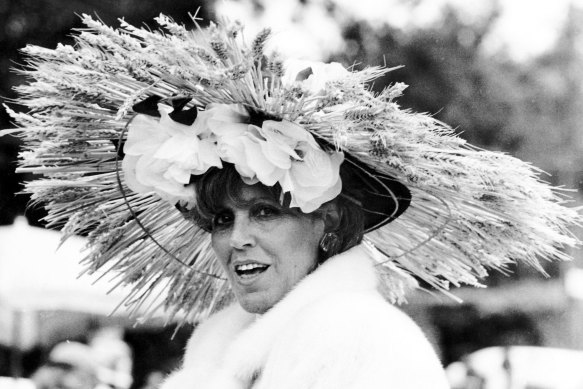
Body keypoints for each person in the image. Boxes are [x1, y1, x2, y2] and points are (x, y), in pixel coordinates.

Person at [2, 12, 580, 389]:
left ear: (327, 225)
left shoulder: (356, 338)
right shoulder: (220, 354)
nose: (236, 238)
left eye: (266, 211)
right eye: (222, 217)